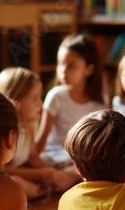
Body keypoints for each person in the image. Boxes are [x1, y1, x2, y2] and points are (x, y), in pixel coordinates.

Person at [0, 67, 73, 199]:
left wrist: (52, 172)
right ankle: (41, 190)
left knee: (58, 175)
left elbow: (33, 159)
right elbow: (1, 169)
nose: (41, 104)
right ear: (14, 101)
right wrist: (42, 174)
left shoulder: (28, 126)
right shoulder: (3, 132)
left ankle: (42, 189)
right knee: (15, 183)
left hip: (20, 173)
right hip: (2, 177)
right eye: (35, 99)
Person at [35, 33, 105, 174]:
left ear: (89, 69)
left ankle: (65, 178)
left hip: (80, 161)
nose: (63, 71)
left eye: (71, 66)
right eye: (60, 63)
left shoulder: (99, 103)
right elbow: (41, 138)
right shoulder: (56, 96)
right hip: (53, 157)